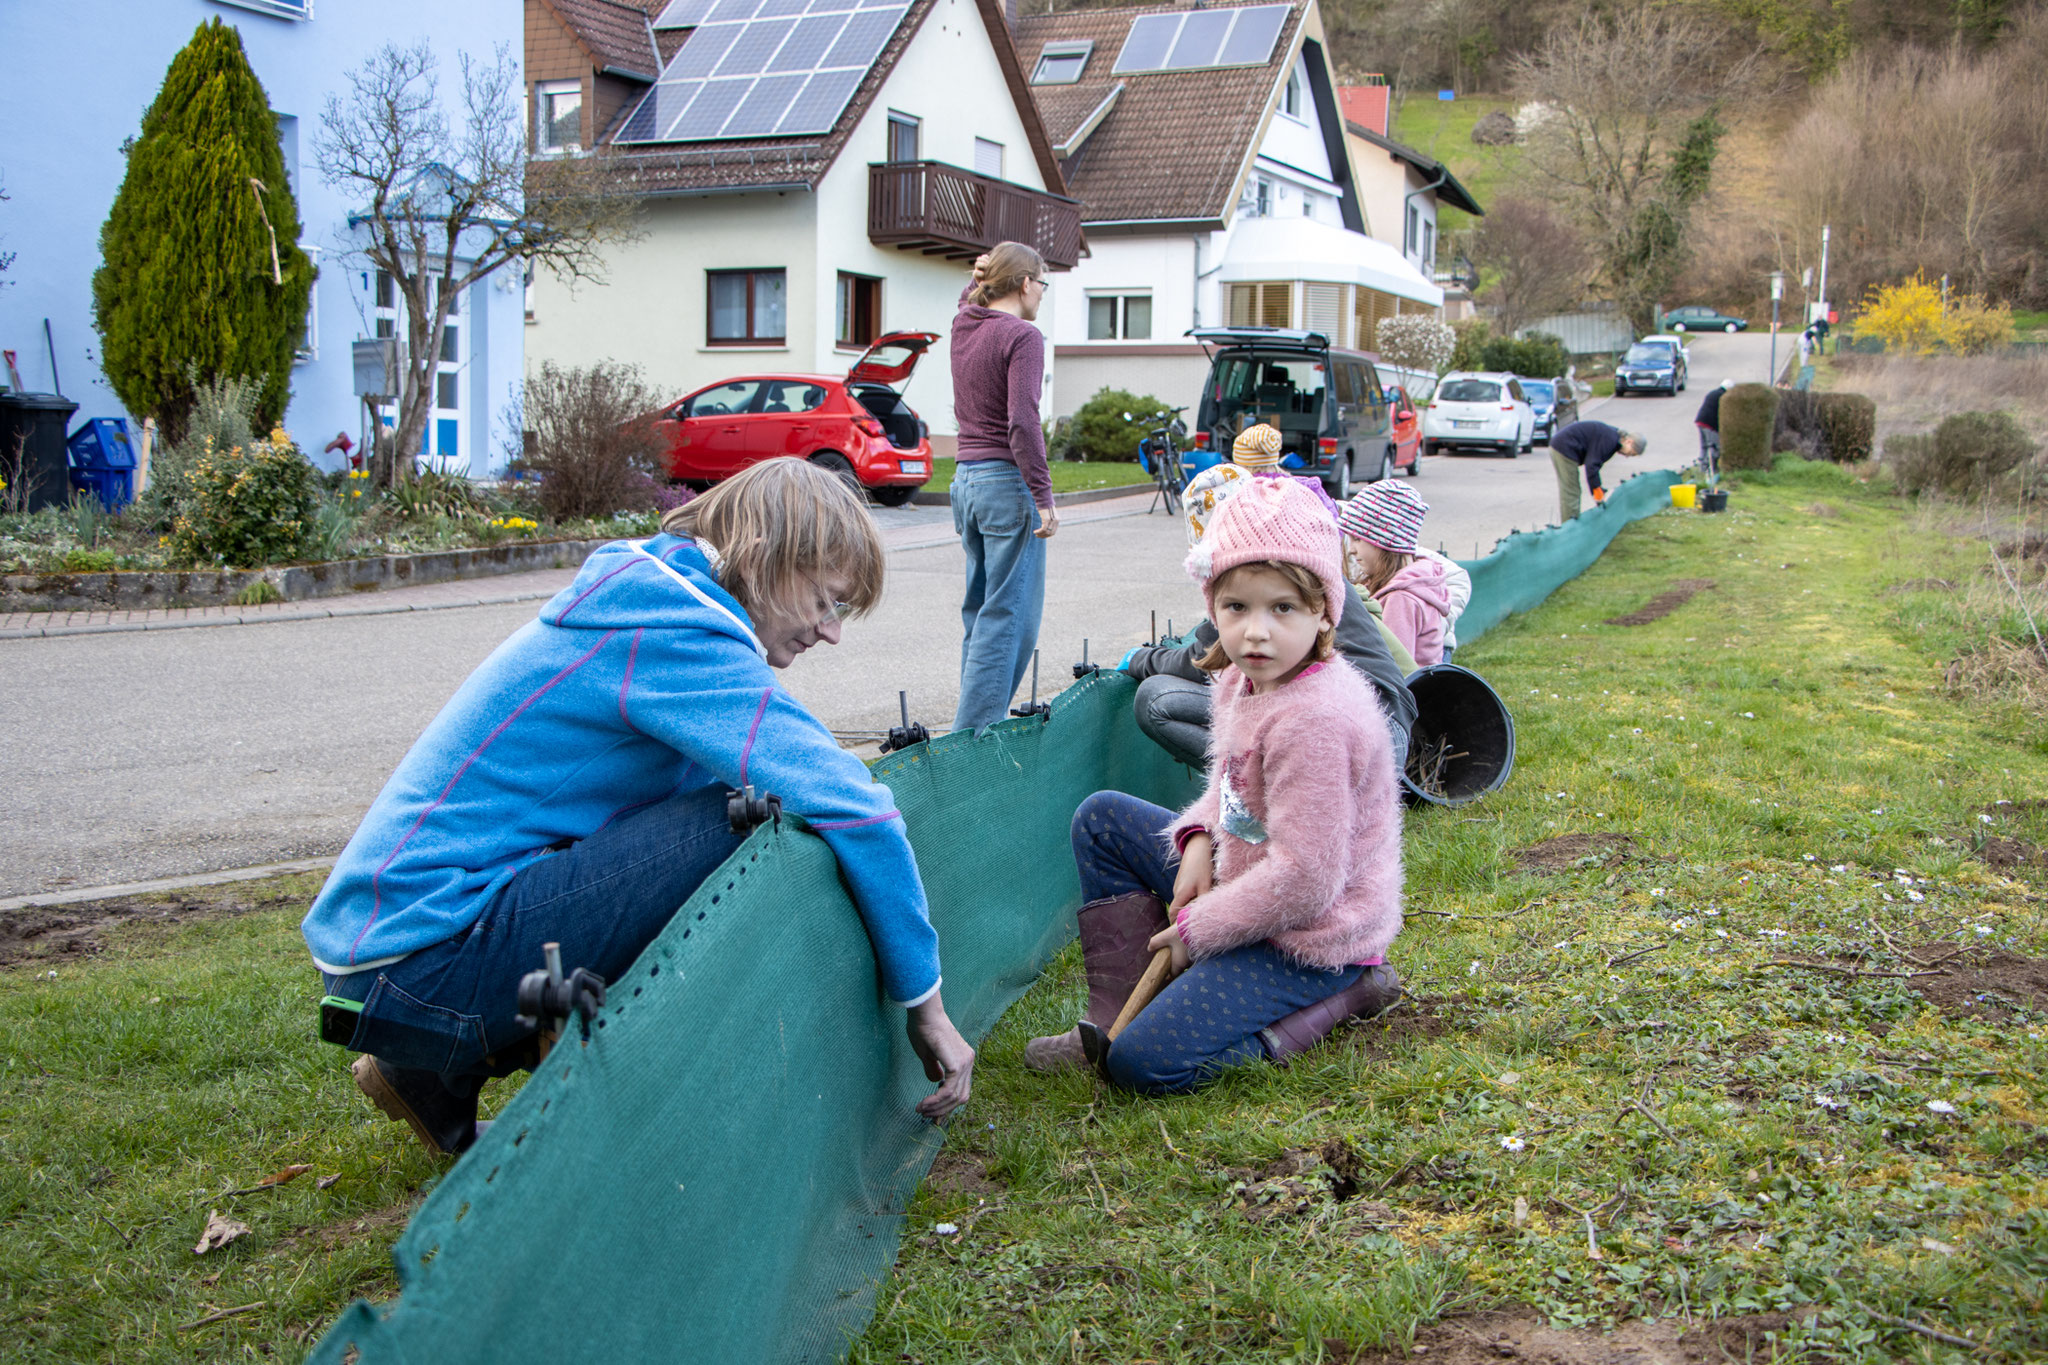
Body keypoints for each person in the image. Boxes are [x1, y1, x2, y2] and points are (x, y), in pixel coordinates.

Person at [302, 460, 976, 1156]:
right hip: (415, 961)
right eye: (825, 600)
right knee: (748, 815)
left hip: (393, 953)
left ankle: (431, 1072)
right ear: (769, 557)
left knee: (708, 814)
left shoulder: (658, 601)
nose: (830, 631)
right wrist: (924, 1006)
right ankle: (586, 1127)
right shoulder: (675, 629)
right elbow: (853, 808)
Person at [1023, 478, 1404, 1091]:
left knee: (1144, 1065)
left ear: (1324, 611)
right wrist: (1199, 837)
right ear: (1213, 608)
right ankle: (1109, 1019)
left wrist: (1198, 933)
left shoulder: (1317, 720)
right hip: (1250, 878)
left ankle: (1347, 996)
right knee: (1103, 819)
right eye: (1237, 607)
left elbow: (1306, 881)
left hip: (1311, 933)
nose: (1256, 631)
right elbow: (1231, 791)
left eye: (1283, 607)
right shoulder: (1243, 679)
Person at [950, 242, 1055, 732]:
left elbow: (966, 301)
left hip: (966, 483)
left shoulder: (964, 325)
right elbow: (1022, 422)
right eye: (1043, 283)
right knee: (1010, 621)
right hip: (1006, 485)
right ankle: (974, 742)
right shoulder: (1023, 336)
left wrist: (974, 282)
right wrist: (1043, 496)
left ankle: (972, 727)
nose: (1043, 294)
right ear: (1024, 283)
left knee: (981, 613)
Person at [1338, 482, 1452, 667]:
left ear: (1385, 541)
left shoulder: (1401, 598)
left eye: (1358, 539)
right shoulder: (1414, 582)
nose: (1351, 550)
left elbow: (1391, 667)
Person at [1550, 420, 1647, 521]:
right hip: (1564, 447)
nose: (1627, 456)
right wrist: (1598, 494)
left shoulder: (1614, 440)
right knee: (1571, 491)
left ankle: (1571, 523)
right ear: (1629, 442)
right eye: (1631, 453)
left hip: (1565, 446)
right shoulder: (1610, 441)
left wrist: (1598, 491)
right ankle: (1569, 528)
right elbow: (1591, 466)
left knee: (1573, 489)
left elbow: (1594, 466)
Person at [1694, 379, 1732, 483]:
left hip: (1700, 422)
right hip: (1709, 425)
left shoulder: (1713, 393)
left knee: (1704, 446)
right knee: (1714, 446)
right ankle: (1714, 470)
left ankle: (1702, 470)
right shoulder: (1723, 397)